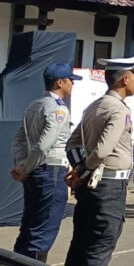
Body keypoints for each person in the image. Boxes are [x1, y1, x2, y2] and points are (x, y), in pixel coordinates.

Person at [64, 54, 134, 266]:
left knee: (80, 246)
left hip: (92, 186)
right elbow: (100, 152)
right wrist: (84, 171)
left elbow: (71, 144)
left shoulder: (94, 106)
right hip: (109, 186)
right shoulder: (118, 109)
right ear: (125, 79)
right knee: (99, 247)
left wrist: (79, 167)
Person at [11, 63, 79, 262]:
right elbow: (43, 146)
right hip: (52, 171)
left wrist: (22, 165)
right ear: (60, 82)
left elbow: (19, 139)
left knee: (29, 228)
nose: (72, 85)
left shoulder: (35, 104)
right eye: (70, 81)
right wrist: (26, 167)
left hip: (35, 171)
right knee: (43, 231)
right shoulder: (59, 109)